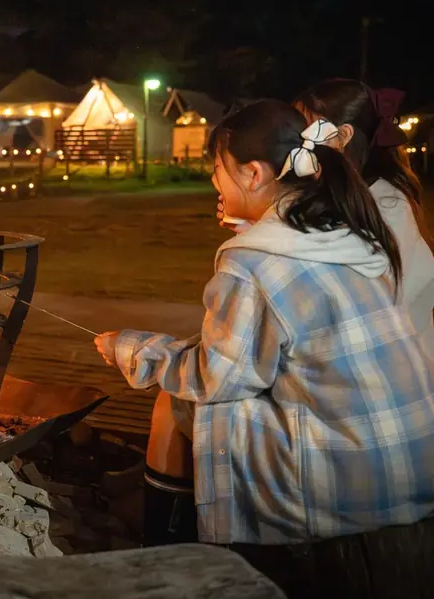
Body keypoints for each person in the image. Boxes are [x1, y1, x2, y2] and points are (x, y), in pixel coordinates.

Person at [95, 100, 434, 549]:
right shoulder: (345, 227)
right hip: (409, 455)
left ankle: (165, 543)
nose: (213, 180)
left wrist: (132, 350)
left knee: (179, 400)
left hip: (350, 479)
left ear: (253, 174)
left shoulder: (254, 261)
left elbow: (217, 378)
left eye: (218, 168)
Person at [292, 79, 434, 363]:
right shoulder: (351, 197)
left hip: (397, 370)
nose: (299, 143)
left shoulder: (386, 206)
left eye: (308, 130)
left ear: (343, 135)